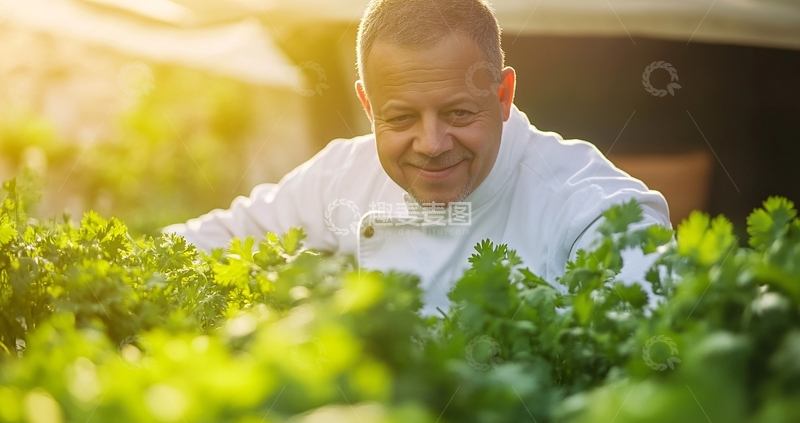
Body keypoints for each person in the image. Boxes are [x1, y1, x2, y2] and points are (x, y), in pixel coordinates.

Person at [163, 0, 670, 315]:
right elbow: (201, 246)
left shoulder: (593, 212)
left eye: (458, 113)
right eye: (400, 119)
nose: (431, 144)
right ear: (367, 105)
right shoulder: (343, 175)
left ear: (503, 95)